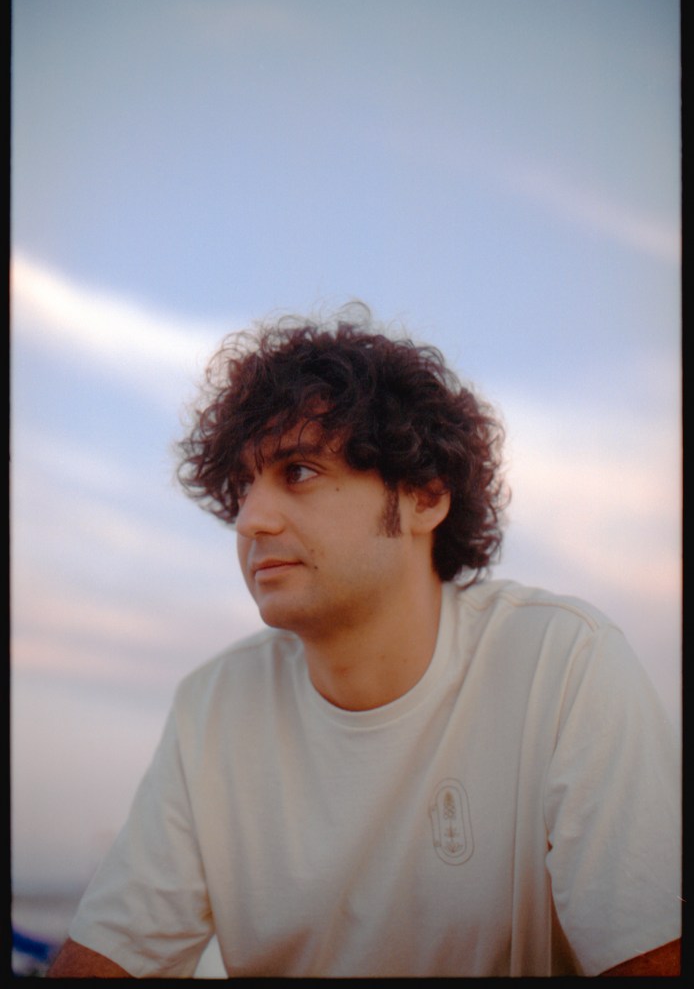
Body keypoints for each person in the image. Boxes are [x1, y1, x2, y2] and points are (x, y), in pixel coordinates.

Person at [47, 308, 681, 977]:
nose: (251, 519)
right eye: (244, 484)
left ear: (425, 496)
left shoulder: (562, 665)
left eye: (298, 471)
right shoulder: (212, 708)